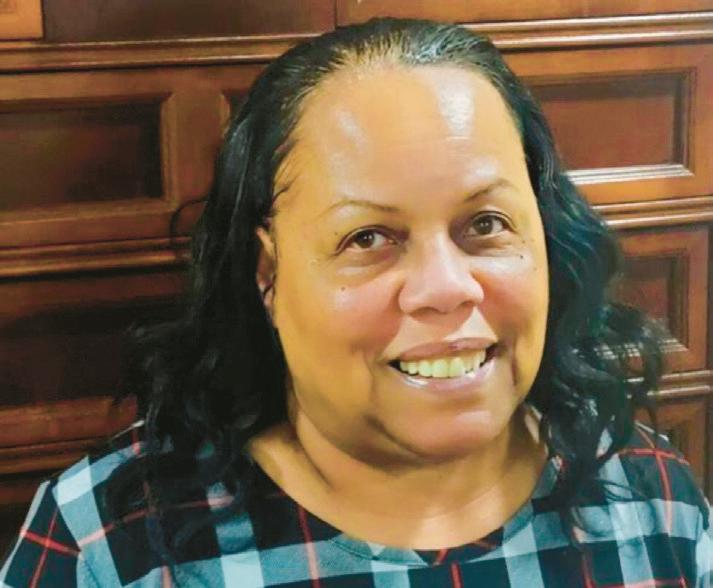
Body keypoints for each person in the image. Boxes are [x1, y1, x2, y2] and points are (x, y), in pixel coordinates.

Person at [1, 17, 711, 587]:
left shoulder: (650, 500)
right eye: (367, 237)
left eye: (486, 224)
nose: (446, 288)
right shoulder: (107, 545)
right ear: (267, 273)